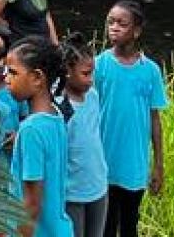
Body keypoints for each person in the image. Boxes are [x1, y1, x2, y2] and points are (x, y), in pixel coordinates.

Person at [94, 0, 167, 237]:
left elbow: (154, 119)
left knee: (129, 224)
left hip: (134, 163)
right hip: (103, 161)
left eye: (121, 24)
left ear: (136, 31)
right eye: (110, 22)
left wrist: (158, 166)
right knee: (105, 224)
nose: (114, 27)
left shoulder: (150, 70)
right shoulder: (99, 65)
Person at [4, 37, 75, 237]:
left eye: (13, 72)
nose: (6, 79)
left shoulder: (30, 130)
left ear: (37, 78)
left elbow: (31, 205)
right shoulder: (56, 115)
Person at [59, 35, 108, 237]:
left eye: (92, 73)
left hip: (98, 185)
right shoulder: (60, 107)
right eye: (85, 74)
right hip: (72, 192)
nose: (91, 79)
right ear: (67, 72)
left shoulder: (93, 96)